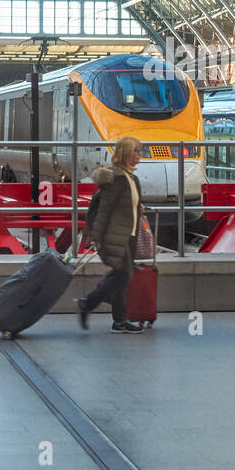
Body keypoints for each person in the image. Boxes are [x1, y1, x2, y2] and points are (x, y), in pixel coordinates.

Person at [75, 139, 147, 333]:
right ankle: (87, 303)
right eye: (135, 151)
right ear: (124, 153)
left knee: (121, 276)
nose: (139, 154)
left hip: (129, 233)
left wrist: (138, 208)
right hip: (114, 234)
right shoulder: (117, 178)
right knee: (123, 274)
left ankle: (119, 321)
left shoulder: (133, 179)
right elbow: (104, 210)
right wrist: (95, 237)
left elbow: (126, 205)